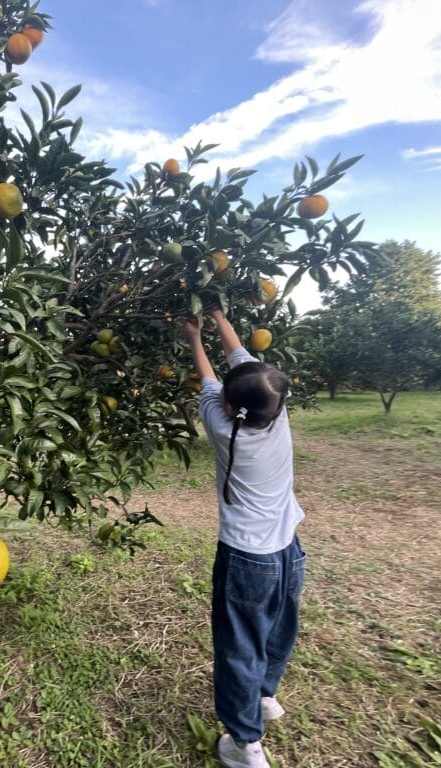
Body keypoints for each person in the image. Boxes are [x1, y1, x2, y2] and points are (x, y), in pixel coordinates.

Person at [182, 308, 307, 768]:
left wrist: (195, 334)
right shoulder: (277, 414)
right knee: (278, 629)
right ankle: (265, 696)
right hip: (288, 552)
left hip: (245, 558)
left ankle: (244, 742)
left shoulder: (220, 426)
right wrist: (219, 317)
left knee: (239, 646)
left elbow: (213, 374)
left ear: (232, 407)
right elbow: (241, 360)